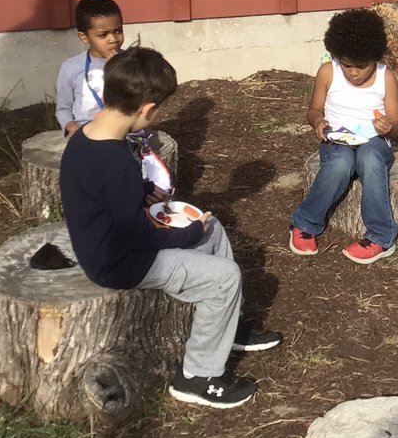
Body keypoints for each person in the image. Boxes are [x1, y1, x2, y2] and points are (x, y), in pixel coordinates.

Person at [59, 46, 281, 409]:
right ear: (147, 109)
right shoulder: (116, 161)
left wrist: (145, 191)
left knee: (214, 229)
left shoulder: (87, 137)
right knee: (225, 277)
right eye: (158, 110)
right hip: (120, 264)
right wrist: (188, 234)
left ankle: (228, 326)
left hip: (112, 246)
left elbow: (107, 195)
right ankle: (198, 376)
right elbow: (138, 237)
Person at [289, 9, 398, 263]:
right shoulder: (328, 72)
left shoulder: (385, 77)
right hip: (337, 138)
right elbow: (313, 110)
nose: (353, 72)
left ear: (374, 57)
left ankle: (381, 237)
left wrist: (388, 129)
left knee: (370, 160)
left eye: (361, 66)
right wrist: (318, 122)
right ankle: (305, 223)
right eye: (346, 65)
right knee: (340, 163)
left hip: (373, 140)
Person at [56, 0, 124, 135]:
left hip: (122, 131)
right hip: (85, 132)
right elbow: (63, 108)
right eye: (103, 35)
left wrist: (117, 68)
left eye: (118, 31)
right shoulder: (71, 67)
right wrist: (70, 126)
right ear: (84, 37)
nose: (113, 39)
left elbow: (138, 100)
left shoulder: (131, 61)